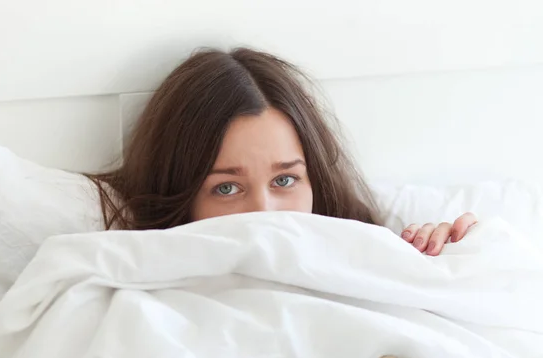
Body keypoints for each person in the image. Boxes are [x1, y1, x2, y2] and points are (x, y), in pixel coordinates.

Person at [90, 47, 477, 256]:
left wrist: (443, 257)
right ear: (181, 196)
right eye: (226, 187)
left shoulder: (364, 257)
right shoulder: (135, 290)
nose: (264, 214)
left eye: (285, 180)